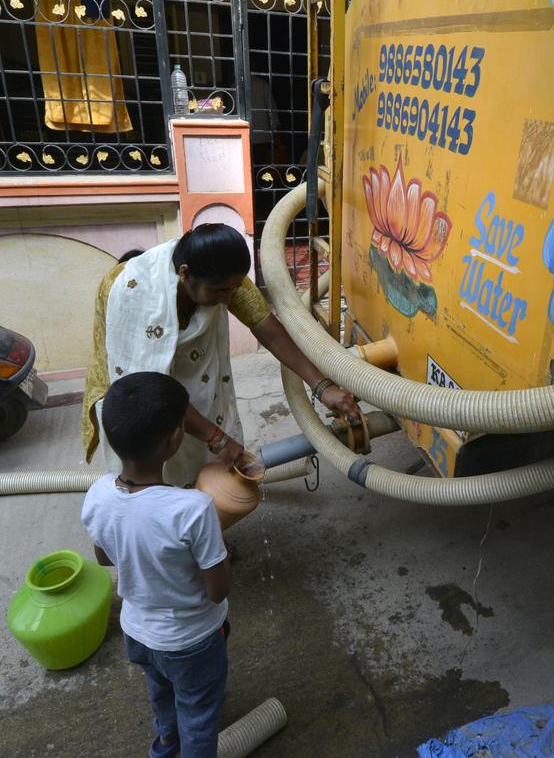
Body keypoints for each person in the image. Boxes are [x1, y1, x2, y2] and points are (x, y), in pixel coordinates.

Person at [81, 223, 360, 485]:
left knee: (200, 468)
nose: (227, 299)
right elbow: (149, 391)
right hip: (135, 398)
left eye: (234, 290)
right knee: (149, 473)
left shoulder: (223, 275)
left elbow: (267, 328)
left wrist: (322, 387)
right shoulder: (132, 294)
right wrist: (217, 438)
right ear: (185, 274)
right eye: (219, 291)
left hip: (184, 391)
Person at [81, 372, 231, 758]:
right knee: (198, 713)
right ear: (174, 439)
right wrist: (217, 550)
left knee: (162, 692)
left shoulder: (98, 494)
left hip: (139, 634)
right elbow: (218, 591)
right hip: (192, 641)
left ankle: (165, 744)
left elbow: (104, 557)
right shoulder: (193, 509)